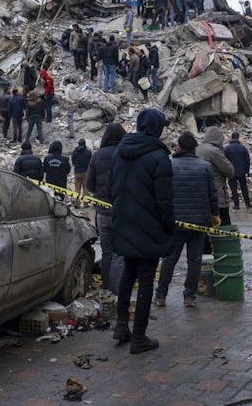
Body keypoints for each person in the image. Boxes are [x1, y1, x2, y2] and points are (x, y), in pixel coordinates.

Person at [110, 109, 174, 354]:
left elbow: (112, 187)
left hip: (123, 222)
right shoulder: (159, 158)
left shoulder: (120, 151)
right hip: (149, 227)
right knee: (146, 280)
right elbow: (165, 201)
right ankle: (139, 337)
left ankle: (121, 326)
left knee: (128, 273)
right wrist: (169, 228)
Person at [155, 132, 217, 308]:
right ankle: (189, 297)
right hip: (199, 222)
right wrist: (214, 215)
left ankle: (161, 295)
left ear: (179, 147)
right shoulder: (205, 167)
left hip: (175, 222)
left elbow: (163, 194)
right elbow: (213, 195)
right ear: (195, 148)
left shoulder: (170, 165)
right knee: (194, 260)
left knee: (169, 259)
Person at [87, 123, 127, 292]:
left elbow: (90, 184)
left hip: (102, 212)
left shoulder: (97, 156)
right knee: (119, 252)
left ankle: (106, 287)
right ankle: (118, 290)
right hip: (122, 211)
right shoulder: (126, 155)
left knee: (107, 251)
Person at [197, 127, 237, 226]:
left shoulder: (197, 149)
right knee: (223, 225)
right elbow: (230, 171)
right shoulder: (214, 151)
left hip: (200, 195)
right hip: (217, 194)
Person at [224, 132, 252, 210]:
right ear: (238, 138)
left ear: (231, 138)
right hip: (242, 172)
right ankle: (248, 204)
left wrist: (226, 172)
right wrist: (247, 171)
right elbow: (247, 160)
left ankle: (236, 205)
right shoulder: (243, 148)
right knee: (244, 188)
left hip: (231, 172)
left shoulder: (227, 148)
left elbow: (225, 161)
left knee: (234, 189)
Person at [71, 139, 92, 206]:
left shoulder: (74, 152)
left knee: (77, 188)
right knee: (86, 188)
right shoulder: (89, 152)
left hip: (77, 172)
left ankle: (77, 203)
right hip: (86, 172)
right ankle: (85, 204)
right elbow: (90, 162)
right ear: (85, 144)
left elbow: (73, 161)